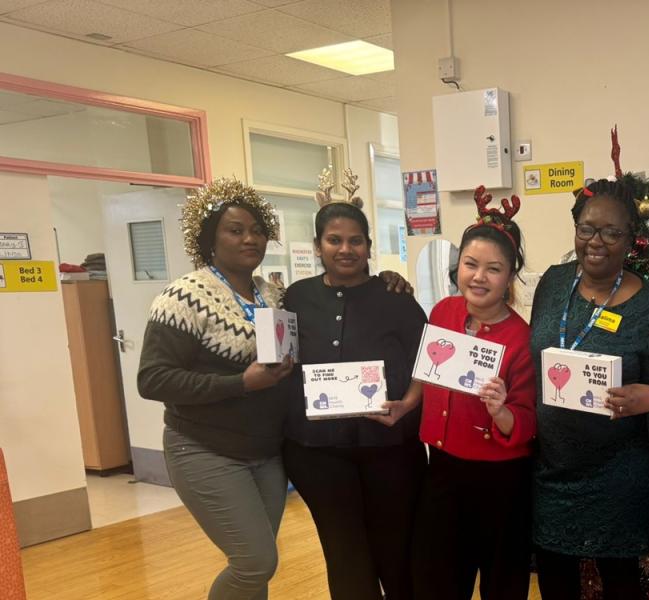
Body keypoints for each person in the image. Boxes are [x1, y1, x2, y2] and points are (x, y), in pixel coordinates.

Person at [137, 178, 293, 600]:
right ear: (210, 239)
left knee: (257, 571)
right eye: (235, 230)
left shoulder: (273, 295)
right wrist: (240, 383)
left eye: (257, 230)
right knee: (254, 562)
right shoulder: (184, 297)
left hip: (266, 453)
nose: (249, 239)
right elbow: (152, 379)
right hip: (204, 450)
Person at [529, 178, 649, 599]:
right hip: (553, 470)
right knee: (555, 583)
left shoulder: (648, 304)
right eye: (587, 229)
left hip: (619, 474)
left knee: (621, 586)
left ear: (630, 239)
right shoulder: (553, 283)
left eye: (612, 232)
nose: (596, 241)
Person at [281, 199, 427, 599]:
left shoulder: (395, 296)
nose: (345, 249)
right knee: (344, 553)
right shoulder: (296, 297)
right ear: (317, 245)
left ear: (368, 246)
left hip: (390, 448)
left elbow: (428, 362)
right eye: (334, 240)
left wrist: (408, 404)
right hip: (318, 452)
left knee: (396, 551)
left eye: (355, 240)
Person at [411, 189, 537, 600]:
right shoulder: (442, 313)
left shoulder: (520, 338)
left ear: (510, 276)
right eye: (470, 264)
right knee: (439, 580)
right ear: (458, 266)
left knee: (502, 582)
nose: (479, 277)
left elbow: (526, 421)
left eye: (493, 269)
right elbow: (427, 374)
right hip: (442, 468)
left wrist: (500, 411)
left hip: (499, 481)